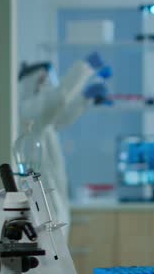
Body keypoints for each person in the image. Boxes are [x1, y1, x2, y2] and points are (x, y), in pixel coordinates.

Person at [16, 52, 110, 238]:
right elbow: (56, 100)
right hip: (38, 204)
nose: (47, 84)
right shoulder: (26, 111)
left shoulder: (42, 122)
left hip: (50, 198)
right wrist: (83, 69)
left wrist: (85, 98)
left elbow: (60, 117)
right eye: (44, 79)